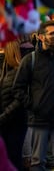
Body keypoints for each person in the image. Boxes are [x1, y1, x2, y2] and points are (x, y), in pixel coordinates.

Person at [13, 21, 54, 171]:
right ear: (41, 37)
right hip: (38, 120)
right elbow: (18, 88)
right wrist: (33, 105)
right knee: (37, 162)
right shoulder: (31, 60)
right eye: (52, 33)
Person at [0, 38, 34, 170]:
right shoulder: (6, 69)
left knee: (13, 157)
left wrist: (3, 117)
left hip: (15, 122)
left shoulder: (18, 71)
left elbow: (19, 99)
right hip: (7, 121)